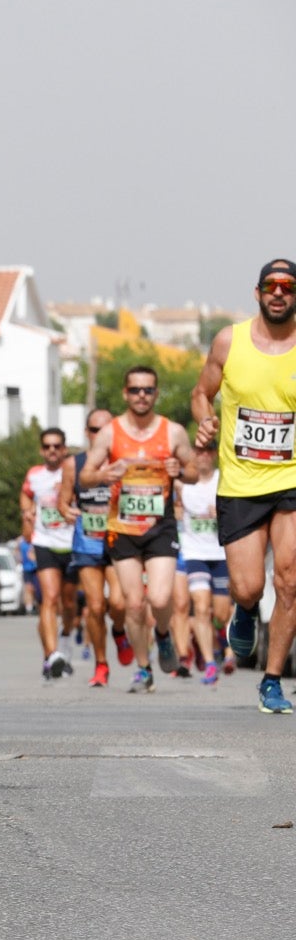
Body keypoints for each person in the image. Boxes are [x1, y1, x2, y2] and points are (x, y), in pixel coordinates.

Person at [191, 258, 296, 713]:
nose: (278, 293)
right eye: (270, 286)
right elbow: (201, 393)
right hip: (240, 482)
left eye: (288, 286)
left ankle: (272, 680)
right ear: (257, 293)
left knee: (290, 580)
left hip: (291, 479)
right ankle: (247, 609)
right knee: (249, 586)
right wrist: (205, 421)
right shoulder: (229, 341)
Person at [80, 365, 198, 694]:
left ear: (156, 394)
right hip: (122, 527)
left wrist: (180, 470)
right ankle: (144, 669)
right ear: (125, 393)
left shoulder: (172, 432)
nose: (141, 396)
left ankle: (162, 635)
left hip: (160, 526)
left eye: (148, 390)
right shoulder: (110, 433)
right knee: (133, 604)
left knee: (160, 598)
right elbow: (85, 476)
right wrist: (106, 475)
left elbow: (193, 473)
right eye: (135, 390)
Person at [59, 407, 133, 687]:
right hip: (87, 542)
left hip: (118, 540)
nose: (99, 434)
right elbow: (63, 502)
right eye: (94, 430)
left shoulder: (124, 462)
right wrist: (67, 511)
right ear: (87, 433)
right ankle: (101, 664)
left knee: (118, 602)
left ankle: (119, 630)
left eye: (105, 429)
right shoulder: (74, 465)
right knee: (94, 605)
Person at [21, 427, 77, 679]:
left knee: (69, 604)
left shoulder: (73, 470)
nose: (52, 450)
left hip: (73, 543)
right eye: (47, 446)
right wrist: (27, 512)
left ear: (64, 449)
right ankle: (52, 654)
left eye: (57, 446)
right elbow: (25, 494)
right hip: (45, 542)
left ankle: (63, 643)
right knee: (49, 598)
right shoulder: (35, 475)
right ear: (42, 450)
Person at [176, 447, 232, 684]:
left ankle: (215, 639)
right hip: (194, 553)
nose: (203, 456)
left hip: (220, 553)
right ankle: (210, 663)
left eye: (208, 451)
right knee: (200, 606)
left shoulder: (223, 480)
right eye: (198, 452)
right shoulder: (182, 483)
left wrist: (222, 514)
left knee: (220, 612)